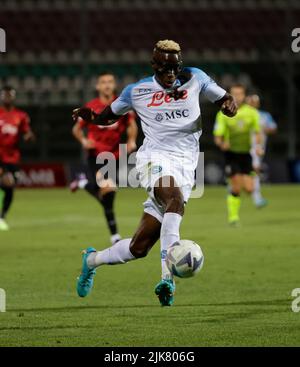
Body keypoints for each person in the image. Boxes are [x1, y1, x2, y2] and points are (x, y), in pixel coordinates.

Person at [72, 40, 237, 306]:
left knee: (139, 248)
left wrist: (229, 105)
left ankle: (91, 260)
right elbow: (108, 117)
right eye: (165, 68)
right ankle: (167, 278)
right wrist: (90, 117)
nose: (171, 74)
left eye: (175, 68)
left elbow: (224, 98)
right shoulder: (137, 91)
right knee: (174, 200)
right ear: (154, 65)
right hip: (153, 159)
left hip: (186, 165)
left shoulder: (196, 77)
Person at [71, 72, 138, 244]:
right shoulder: (91, 106)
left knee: (105, 192)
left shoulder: (121, 104)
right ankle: (115, 235)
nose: (107, 85)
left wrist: (131, 140)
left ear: (114, 85)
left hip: (114, 156)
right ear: (98, 87)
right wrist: (84, 141)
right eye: (103, 82)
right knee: (109, 190)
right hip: (96, 156)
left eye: (110, 82)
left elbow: (131, 125)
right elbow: (76, 129)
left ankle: (83, 183)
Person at [214, 84, 263, 225]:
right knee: (236, 187)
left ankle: (250, 176)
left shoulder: (252, 113)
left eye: (240, 93)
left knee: (249, 189)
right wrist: (222, 144)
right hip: (231, 154)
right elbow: (218, 137)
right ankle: (233, 218)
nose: (237, 96)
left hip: (246, 154)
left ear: (244, 95)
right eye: (234, 93)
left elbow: (258, 132)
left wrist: (258, 146)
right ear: (229, 95)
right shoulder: (223, 113)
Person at [0, 85, 35, 231]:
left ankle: (2, 216)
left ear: (14, 97)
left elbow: (29, 134)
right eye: (5, 95)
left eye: (10, 95)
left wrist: (28, 136)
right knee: (6, 182)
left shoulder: (20, 116)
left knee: (10, 187)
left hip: (13, 158)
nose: (7, 97)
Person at [246, 94, 277, 208]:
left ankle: (233, 190)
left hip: (259, 147)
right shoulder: (244, 114)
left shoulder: (264, 116)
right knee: (255, 169)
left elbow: (273, 128)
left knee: (251, 170)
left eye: (255, 102)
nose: (253, 104)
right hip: (247, 146)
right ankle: (257, 197)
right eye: (251, 101)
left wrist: (265, 128)